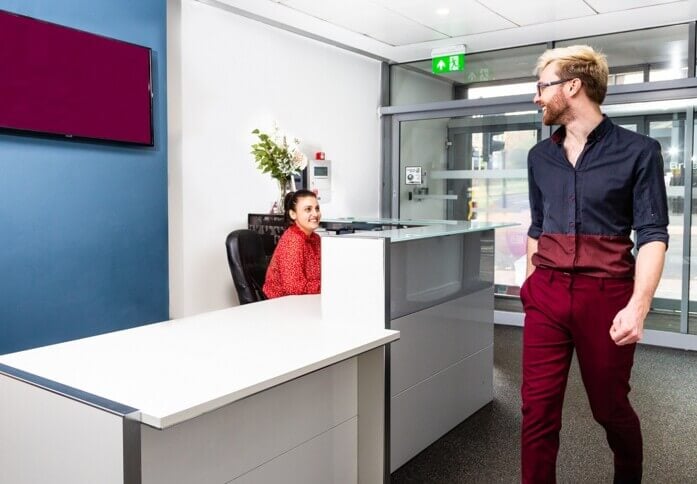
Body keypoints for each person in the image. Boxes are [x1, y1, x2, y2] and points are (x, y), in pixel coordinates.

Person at [521, 45, 668, 483]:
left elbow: (653, 234)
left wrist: (638, 306)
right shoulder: (539, 157)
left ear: (572, 86)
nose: (536, 98)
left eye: (542, 87)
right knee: (536, 411)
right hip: (545, 295)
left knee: (610, 409)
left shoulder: (639, 151)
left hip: (606, 297)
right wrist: (531, 289)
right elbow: (537, 226)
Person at [263, 189, 321, 299]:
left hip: (305, 300)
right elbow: (294, 287)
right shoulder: (292, 241)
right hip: (281, 304)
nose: (315, 214)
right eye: (308, 209)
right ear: (293, 214)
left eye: (317, 208)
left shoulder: (315, 238)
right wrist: (329, 286)